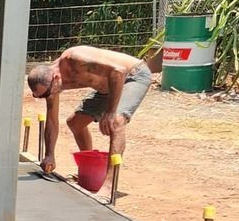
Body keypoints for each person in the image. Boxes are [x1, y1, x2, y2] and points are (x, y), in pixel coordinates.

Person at [27, 45, 156, 175]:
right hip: (108, 87)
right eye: (41, 96)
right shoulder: (49, 86)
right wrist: (49, 154)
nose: (48, 97)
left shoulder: (74, 60)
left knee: (116, 121)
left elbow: (118, 71)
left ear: (55, 78)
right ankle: (90, 169)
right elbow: (52, 120)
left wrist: (110, 112)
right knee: (75, 123)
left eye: (46, 94)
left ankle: (109, 183)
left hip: (133, 75)